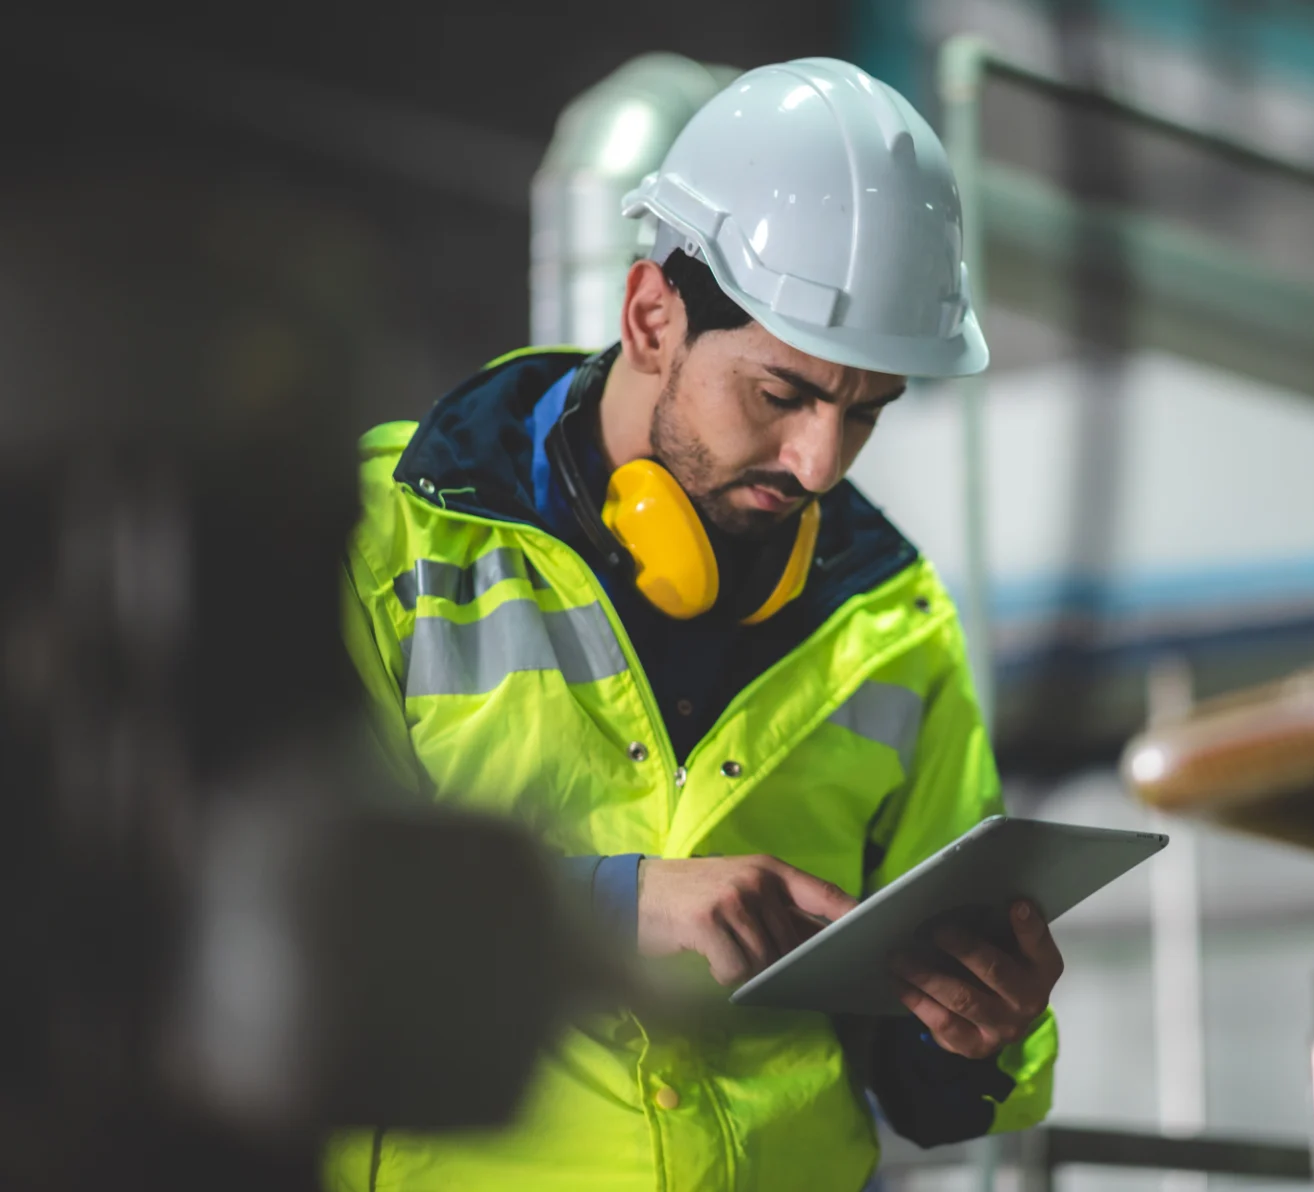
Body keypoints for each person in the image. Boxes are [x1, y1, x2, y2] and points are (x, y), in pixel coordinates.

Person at [329, 57, 1062, 1192]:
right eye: (782, 394)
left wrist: (977, 1030)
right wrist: (614, 907)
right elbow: (294, 925)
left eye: (865, 413)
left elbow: (926, 1092)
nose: (819, 464)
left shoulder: (891, 622)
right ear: (651, 317)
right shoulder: (392, 545)